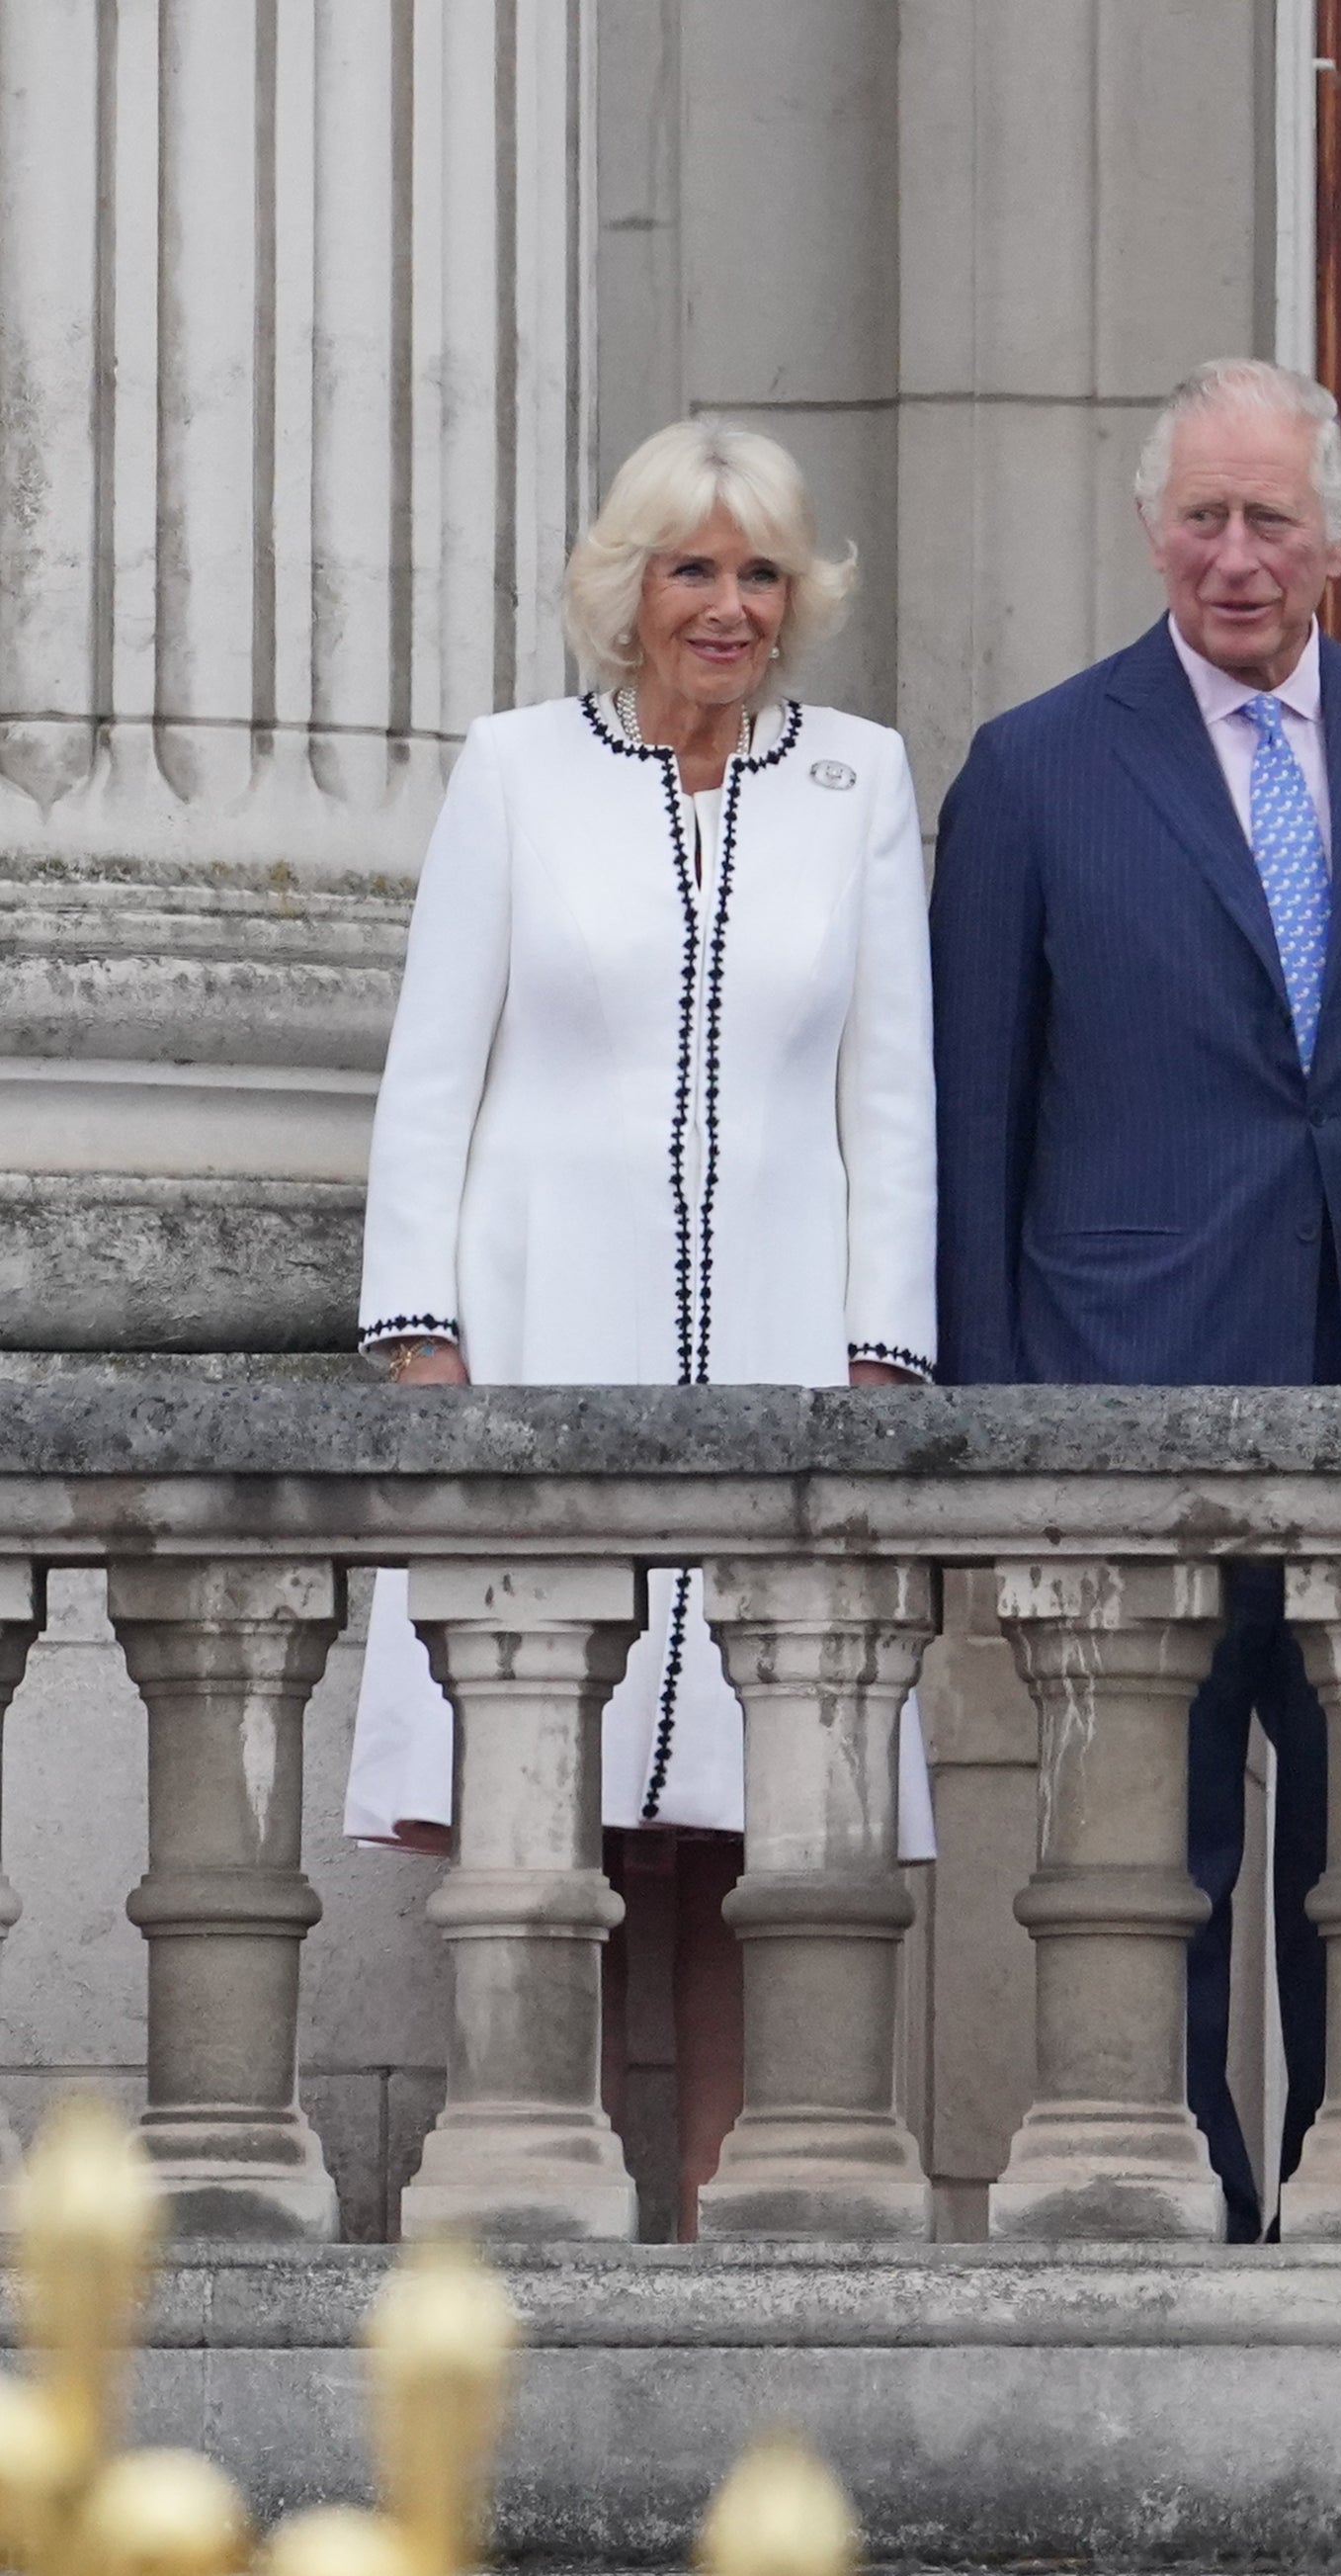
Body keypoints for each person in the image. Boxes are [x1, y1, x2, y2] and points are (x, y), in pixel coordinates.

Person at [929, 357, 1341, 2240]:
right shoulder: (1034, 763)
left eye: (1273, 518)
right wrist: (998, 1419)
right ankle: (1175, 2198)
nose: (1236, 556)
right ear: (1149, 527)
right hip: (1128, 1387)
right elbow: (976, 1106)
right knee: (1147, 1860)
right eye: (1203, 515)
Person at [350, 417, 936, 2230]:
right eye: (694, 568)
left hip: (780, 1346)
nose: (731, 606)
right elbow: (432, 1073)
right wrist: (421, 1335)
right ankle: (560, 2203)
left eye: (761, 571)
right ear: (630, 586)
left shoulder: (858, 778)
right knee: (567, 1800)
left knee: (754, 1814)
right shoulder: (519, 772)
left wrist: (877, 1357)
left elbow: (890, 1095)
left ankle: (739, 2206)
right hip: (546, 1337)